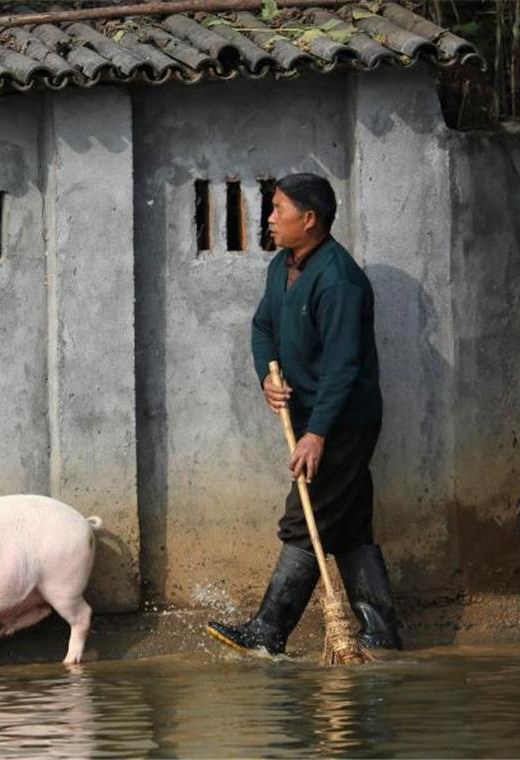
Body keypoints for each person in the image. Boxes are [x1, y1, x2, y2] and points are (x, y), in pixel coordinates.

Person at [205, 173, 402, 655]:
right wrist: (266, 377)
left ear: (309, 219)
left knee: (306, 513)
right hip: (313, 418)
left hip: (342, 423)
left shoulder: (338, 280)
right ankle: (381, 631)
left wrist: (316, 435)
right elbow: (262, 326)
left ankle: (269, 631)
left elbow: (343, 367)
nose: (268, 218)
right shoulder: (281, 266)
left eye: (278, 209)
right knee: (350, 523)